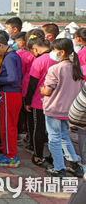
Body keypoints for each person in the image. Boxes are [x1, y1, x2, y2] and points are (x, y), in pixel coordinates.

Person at [40, 38, 86, 177]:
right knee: (63, 136)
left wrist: (42, 90)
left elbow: (48, 90)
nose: (52, 53)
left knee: (54, 138)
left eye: (53, 50)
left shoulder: (55, 68)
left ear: (61, 52)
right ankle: (73, 163)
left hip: (54, 109)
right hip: (70, 110)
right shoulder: (77, 68)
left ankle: (59, 167)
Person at [0, 32, 23, 168]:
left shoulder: (8, 58)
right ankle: (9, 151)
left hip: (9, 93)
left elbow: (13, 78)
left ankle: (11, 155)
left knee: (8, 126)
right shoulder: (13, 56)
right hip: (12, 94)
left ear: (0, 45)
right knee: (8, 125)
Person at [24, 32, 55, 168]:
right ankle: (54, 156)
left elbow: (32, 84)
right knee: (55, 131)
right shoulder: (57, 58)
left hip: (39, 100)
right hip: (56, 100)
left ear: (35, 48)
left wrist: (27, 101)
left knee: (39, 129)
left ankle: (38, 155)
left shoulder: (39, 61)